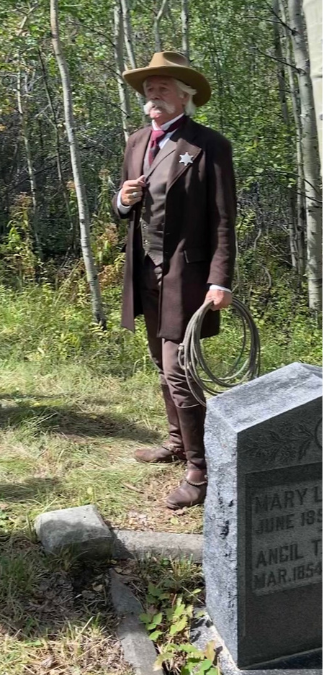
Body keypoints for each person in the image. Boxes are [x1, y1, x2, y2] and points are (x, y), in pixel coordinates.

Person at [112, 52, 236, 509]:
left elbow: (224, 220)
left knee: (178, 371)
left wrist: (220, 279)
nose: (153, 98)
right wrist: (123, 201)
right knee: (162, 368)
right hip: (144, 272)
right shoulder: (137, 141)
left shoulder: (209, 145)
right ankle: (177, 442)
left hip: (186, 276)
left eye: (162, 89)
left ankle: (201, 472)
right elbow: (125, 208)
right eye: (148, 91)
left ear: (184, 95)